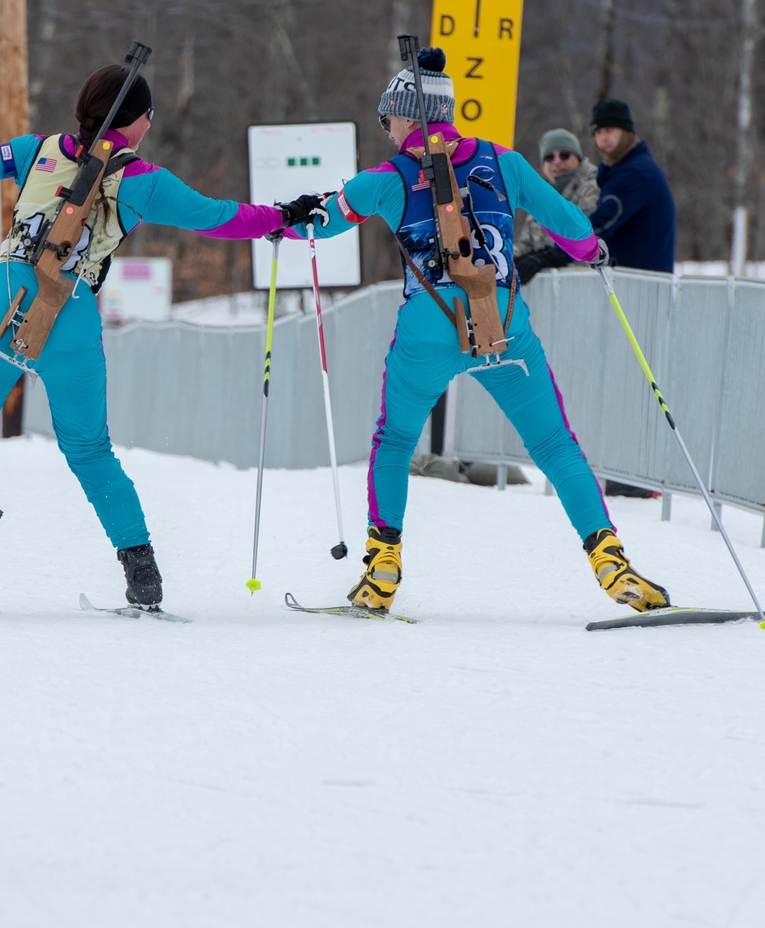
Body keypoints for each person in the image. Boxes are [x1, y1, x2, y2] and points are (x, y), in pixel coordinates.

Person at [0, 62, 324, 611]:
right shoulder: (142, 180)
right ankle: (144, 580)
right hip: (72, 310)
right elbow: (218, 217)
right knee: (90, 450)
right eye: (149, 117)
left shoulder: (35, 150)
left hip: (6, 296)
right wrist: (283, 216)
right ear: (134, 122)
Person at [289, 48, 669, 615]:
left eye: (388, 118)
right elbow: (570, 226)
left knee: (393, 443)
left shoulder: (387, 177)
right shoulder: (505, 162)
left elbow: (318, 222)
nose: (386, 130)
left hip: (427, 329)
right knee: (555, 445)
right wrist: (593, 250)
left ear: (407, 116)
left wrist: (286, 221)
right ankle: (610, 561)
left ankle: (382, 570)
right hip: (503, 322)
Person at [589, 98, 675, 273]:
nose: (603, 137)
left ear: (627, 132)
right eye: (597, 132)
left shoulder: (636, 174)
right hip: (630, 283)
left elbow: (601, 225)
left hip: (643, 286)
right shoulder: (617, 171)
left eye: (609, 130)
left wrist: (553, 254)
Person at [514, 127, 599, 285]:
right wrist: (505, 258)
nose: (557, 161)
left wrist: (544, 257)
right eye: (549, 157)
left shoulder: (593, 186)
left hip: (585, 282)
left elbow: (583, 235)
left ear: (578, 158)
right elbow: (527, 242)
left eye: (564, 155)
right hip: (554, 288)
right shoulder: (541, 193)